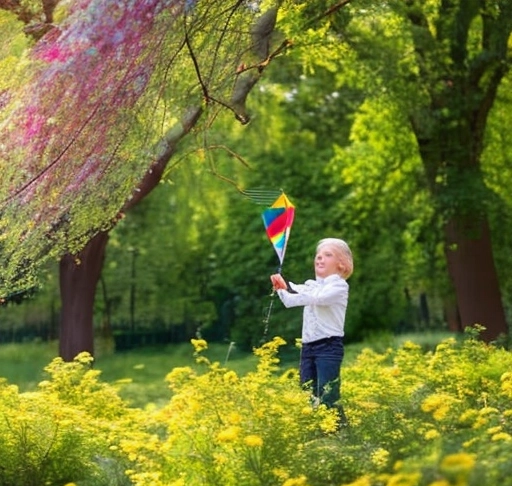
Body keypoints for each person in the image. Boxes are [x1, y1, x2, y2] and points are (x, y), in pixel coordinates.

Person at [270, 238, 353, 428]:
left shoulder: (339, 287)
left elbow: (310, 298)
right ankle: (320, 429)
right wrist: (282, 287)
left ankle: (339, 432)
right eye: (318, 256)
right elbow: (292, 296)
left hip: (328, 347)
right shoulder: (311, 286)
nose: (320, 259)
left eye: (327, 255)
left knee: (328, 393)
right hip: (308, 348)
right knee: (308, 391)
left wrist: (286, 289)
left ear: (342, 264)